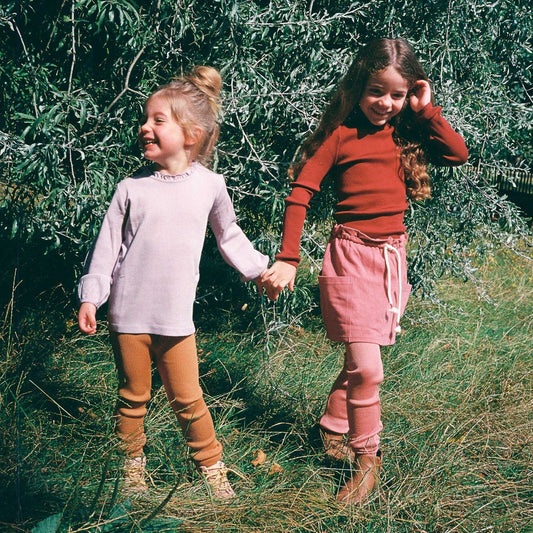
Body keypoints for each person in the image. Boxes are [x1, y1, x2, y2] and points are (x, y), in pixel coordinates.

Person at [260, 38, 468, 505]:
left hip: (392, 261)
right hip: (350, 257)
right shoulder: (340, 135)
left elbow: (458, 154)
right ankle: (367, 460)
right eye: (376, 91)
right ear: (358, 86)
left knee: (362, 359)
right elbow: (300, 192)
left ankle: (332, 425)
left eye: (397, 95)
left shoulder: (407, 133)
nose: (385, 103)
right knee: (368, 369)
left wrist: (426, 111)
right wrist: (288, 258)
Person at [78, 66, 268, 499]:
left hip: (175, 318)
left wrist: (260, 270)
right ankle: (131, 470)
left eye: (157, 120)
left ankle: (213, 470)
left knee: (188, 397)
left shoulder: (210, 186)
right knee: (133, 397)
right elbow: (105, 249)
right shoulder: (130, 188)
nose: (145, 127)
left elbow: (230, 236)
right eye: (144, 119)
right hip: (128, 315)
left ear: (191, 135)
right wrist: (92, 298)